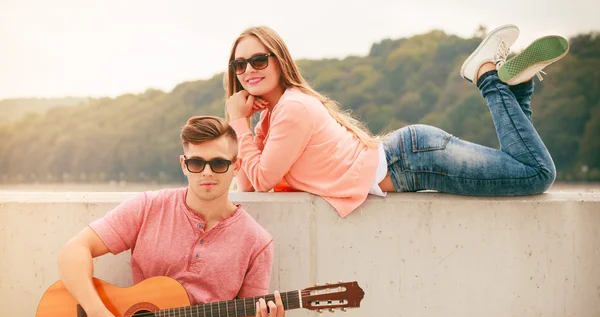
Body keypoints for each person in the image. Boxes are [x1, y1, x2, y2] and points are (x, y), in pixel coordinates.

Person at [224, 25, 570, 217]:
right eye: (240, 65)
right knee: (525, 166)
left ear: (278, 60)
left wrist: (237, 123)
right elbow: (249, 185)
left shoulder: (292, 109)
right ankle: (518, 85)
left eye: (257, 60)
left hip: (413, 160)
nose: (249, 71)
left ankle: (485, 75)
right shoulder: (271, 117)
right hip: (410, 159)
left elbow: (263, 178)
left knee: (536, 173)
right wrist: (245, 125)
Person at [57, 116, 284, 317]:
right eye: (196, 163)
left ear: (236, 166)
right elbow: (74, 251)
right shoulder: (149, 207)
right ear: (183, 164)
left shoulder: (257, 240)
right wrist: (97, 313)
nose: (207, 173)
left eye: (219, 163)